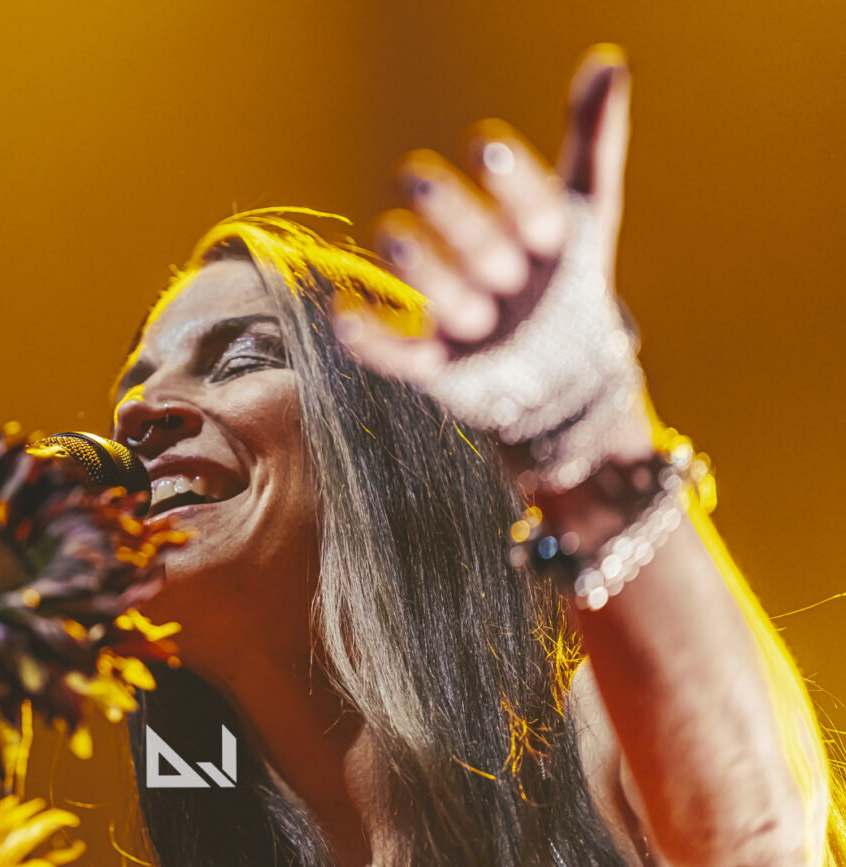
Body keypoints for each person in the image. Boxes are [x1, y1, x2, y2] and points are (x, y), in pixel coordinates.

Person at [107, 46, 845, 866]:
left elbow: (755, 841)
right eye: (132, 387)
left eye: (242, 358)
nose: (137, 411)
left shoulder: (594, 740)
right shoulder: (213, 822)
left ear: (390, 449)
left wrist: (582, 423)